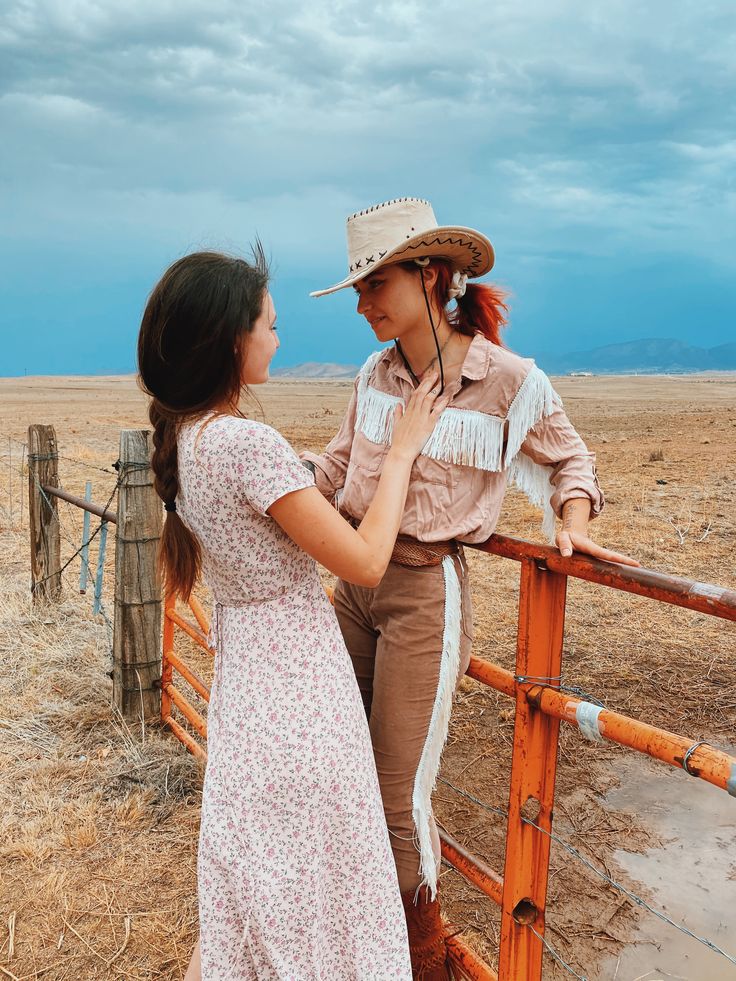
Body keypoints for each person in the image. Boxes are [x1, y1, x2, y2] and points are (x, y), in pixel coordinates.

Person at [302, 197, 640, 980]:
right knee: (333, 764)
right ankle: (348, 937)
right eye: (356, 289)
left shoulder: (508, 379)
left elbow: (569, 459)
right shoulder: (375, 373)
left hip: (425, 593)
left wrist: (573, 518)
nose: (361, 304)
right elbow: (334, 469)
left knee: (394, 794)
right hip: (353, 586)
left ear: (430, 277)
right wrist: (266, 491)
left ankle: (422, 958)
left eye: (371, 284)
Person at [137, 248, 451, 980]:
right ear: (230, 340)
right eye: (270, 326)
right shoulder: (246, 443)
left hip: (249, 685)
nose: (279, 340)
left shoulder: (186, 438)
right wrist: (402, 450)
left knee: (262, 876)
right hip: (301, 691)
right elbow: (366, 562)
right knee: (326, 877)